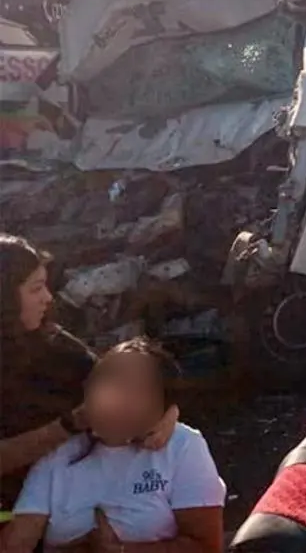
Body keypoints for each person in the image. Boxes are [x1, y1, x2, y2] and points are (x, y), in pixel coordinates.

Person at [1, 235, 178, 509]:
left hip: (72, 493)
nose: (48, 298)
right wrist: (71, 424)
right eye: (35, 289)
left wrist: (167, 413)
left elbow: (112, 379)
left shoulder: (50, 341)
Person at [2, 338, 225, 553]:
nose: (116, 396)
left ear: (162, 401)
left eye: (137, 388)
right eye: (107, 380)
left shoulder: (182, 445)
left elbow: (206, 546)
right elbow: (16, 544)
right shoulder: (59, 452)